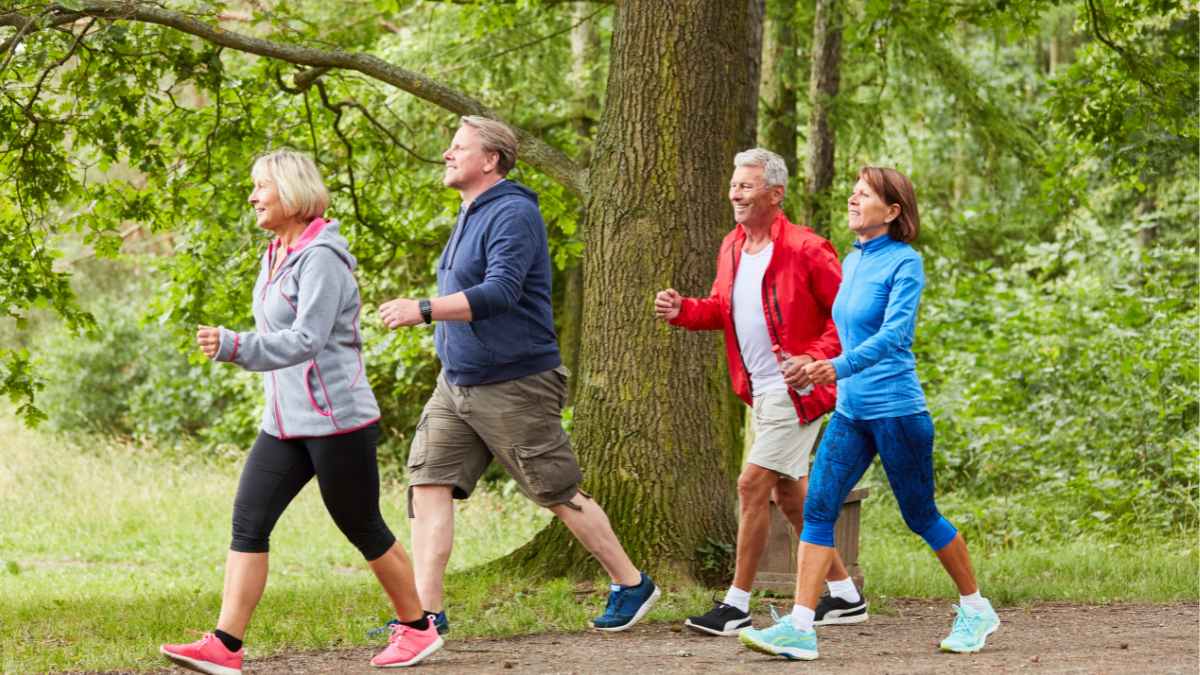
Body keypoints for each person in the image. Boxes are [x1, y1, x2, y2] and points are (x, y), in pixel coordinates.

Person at [159, 150, 442, 674]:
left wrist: (235, 345)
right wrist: (245, 349)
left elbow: (307, 339)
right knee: (249, 520)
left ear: (290, 191)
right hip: (285, 423)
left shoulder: (322, 259)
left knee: (361, 524)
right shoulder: (276, 253)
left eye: (261, 187)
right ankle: (226, 644)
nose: (252, 197)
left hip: (337, 421)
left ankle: (418, 628)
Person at [378, 116, 660, 633]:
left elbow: (500, 292)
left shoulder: (512, 212)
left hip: (514, 382)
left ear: (490, 160)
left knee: (556, 490)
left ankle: (631, 582)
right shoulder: (470, 212)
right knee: (428, 483)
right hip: (457, 381)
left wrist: (423, 308)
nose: (447, 153)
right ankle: (425, 617)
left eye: (458, 146)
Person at [740, 167, 1000, 661]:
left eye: (865, 194)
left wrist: (832, 368)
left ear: (893, 211)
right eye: (854, 193)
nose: (854, 200)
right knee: (818, 509)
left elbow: (895, 337)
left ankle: (976, 606)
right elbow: (843, 331)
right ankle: (800, 626)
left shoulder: (905, 264)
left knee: (919, 514)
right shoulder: (854, 260)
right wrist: (811, 362)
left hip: (897, 411)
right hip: (851, 411)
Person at [654, 148, 867, 637]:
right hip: (760, 391)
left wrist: (815, 361)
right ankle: (846, 596)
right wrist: (684, 310)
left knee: (751, 485)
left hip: (798, 392)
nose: (735, 193)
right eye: (734, 185)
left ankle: (736, 604)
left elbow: (848, 318)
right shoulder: (731, 245)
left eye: (746, 186)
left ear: (775, 194)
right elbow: (722, 308)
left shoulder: (807, 249)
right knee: (791, 496)